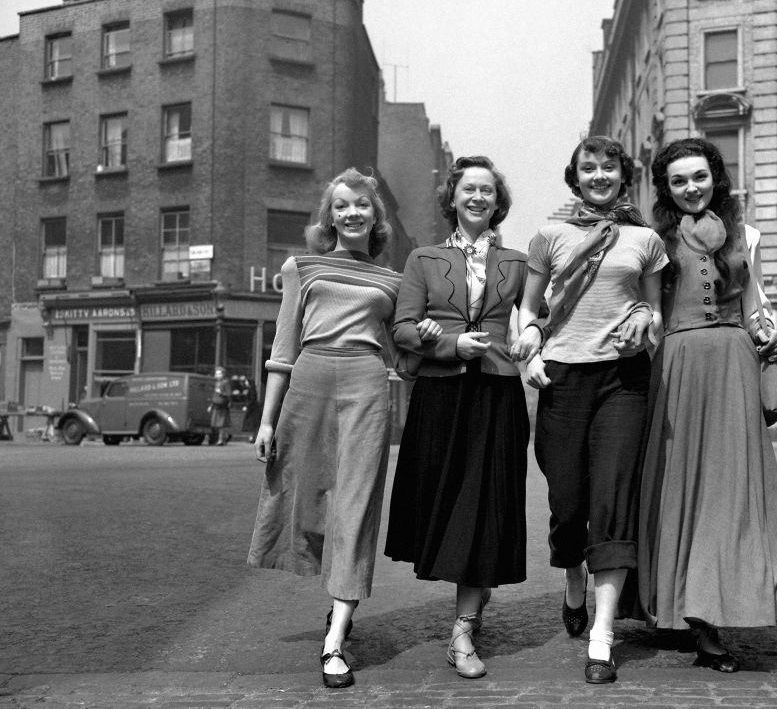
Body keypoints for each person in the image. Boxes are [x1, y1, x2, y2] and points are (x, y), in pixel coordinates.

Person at [634, 137, 777, 673]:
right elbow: (651, 313)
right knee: (683, 488)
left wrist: (767, 332)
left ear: (715, 178)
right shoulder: (654, 240)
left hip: (734, 365)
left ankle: (722, 601)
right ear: (666, 189)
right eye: (678, 181)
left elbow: (755, 302)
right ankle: (693, 615)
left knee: (733, 491)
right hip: (678, 367)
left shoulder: (746, 234)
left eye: (698, 177)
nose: (690, 188)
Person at [509, 135, 667, 685]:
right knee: (568, 501)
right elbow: (530, 307)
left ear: (625, 175)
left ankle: (602, 634)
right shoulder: (550, 235)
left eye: (609, 168)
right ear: (575, 176)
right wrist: (529, 338)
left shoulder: (645, 239)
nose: (600, 176)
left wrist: (646, 321)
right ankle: (572, 577)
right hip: (564, 379)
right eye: (589, 168)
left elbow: (656, 310)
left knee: (613, 499)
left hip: (624, 381)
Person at [247, 168, 401, 689]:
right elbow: (283, 350)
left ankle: (335, 638)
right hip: (309, 382)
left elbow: (405, 351)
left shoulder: (392, 281)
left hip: (366, 384)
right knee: (303, 497)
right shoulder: (301, 267)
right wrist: (267, 420)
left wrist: (426, 333)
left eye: (362, 205)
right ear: (329, 216)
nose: (353, 213)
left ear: (375, 216)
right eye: (342, 206)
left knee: (356, 508)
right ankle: (335, 603)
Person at [384, 156, 530, 679]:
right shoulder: (423, 258)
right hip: (442, 396)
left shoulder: (518, 261)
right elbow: (401, 329)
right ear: (453, 197)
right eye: (469, 189)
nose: (478, 198)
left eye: (487, 191)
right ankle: (472, 598)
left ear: (498, 201)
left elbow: (536, 315)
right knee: (448, 507)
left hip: (497, 393)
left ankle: (462, 631)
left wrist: (529, 336)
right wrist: (448, 344)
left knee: (484, 506)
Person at [209, 366, 231, 445]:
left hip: (222, 405)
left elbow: (229, 394)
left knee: (221, 424)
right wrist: (211, 405)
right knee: (216, 424)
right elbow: (214, 395)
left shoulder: (225, 382)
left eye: (219, 374)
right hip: (216, 405)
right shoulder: (216, 383)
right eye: (216, 373)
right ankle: (224, 436)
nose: (217, 375)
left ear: (223, 374)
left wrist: (221, 392)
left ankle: (221, 439)